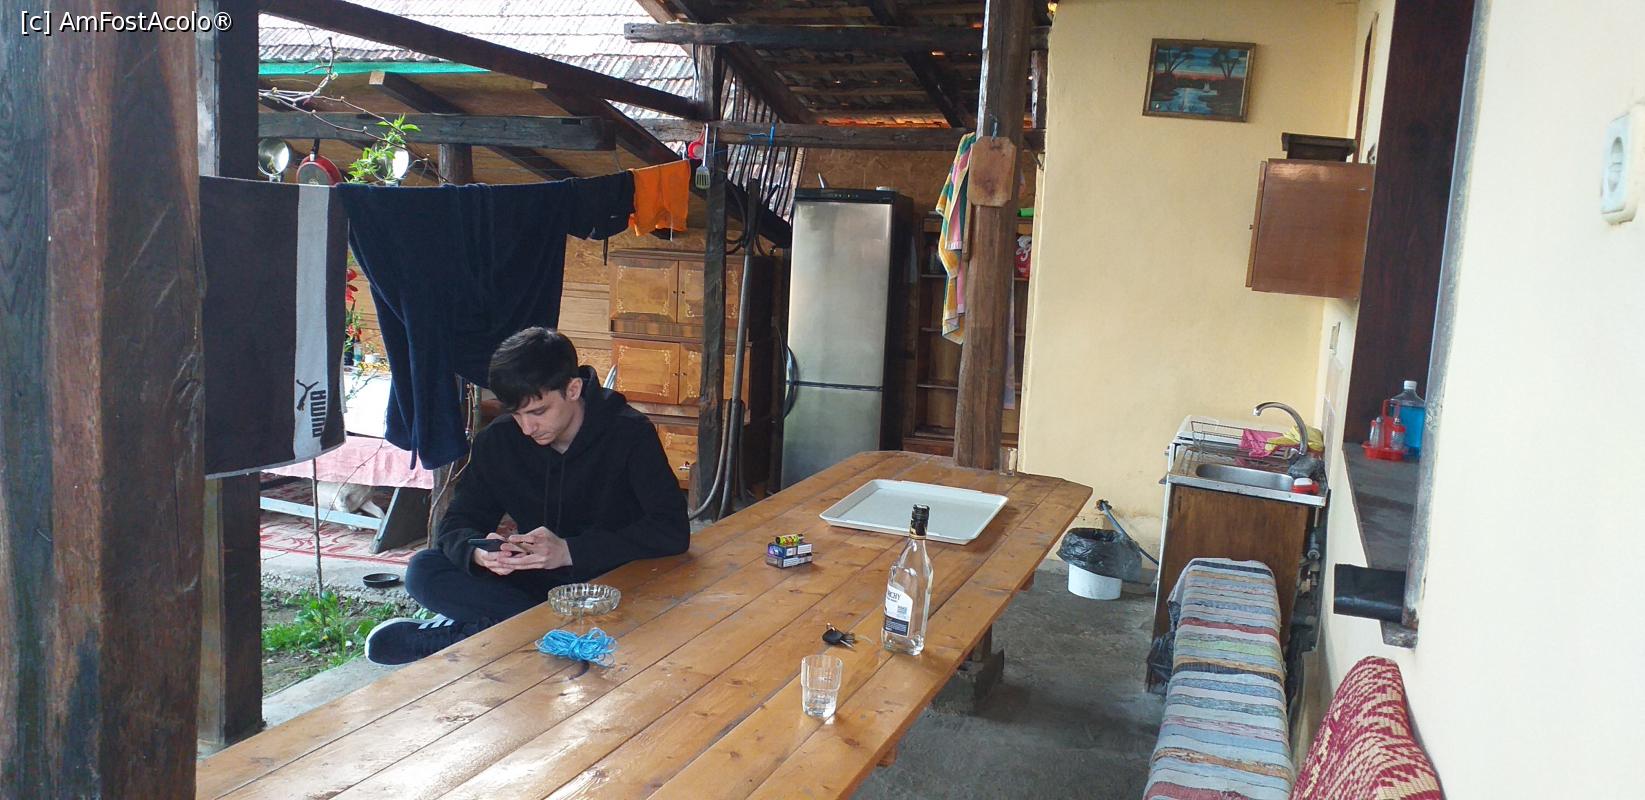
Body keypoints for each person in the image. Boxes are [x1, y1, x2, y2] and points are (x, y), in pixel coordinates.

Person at [366, 328, 689, 664]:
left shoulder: (629, 433)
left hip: (607, 581)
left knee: (627, 594)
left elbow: (672, 530)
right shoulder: (500, 441)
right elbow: (457, 522)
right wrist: (480, 553)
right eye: (516, 414)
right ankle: (538, 634)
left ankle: (477, 635)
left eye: (538, 412)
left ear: (573, 389)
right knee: (424, 569)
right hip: (532, 585)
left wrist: (569, 551)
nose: (526, 428)